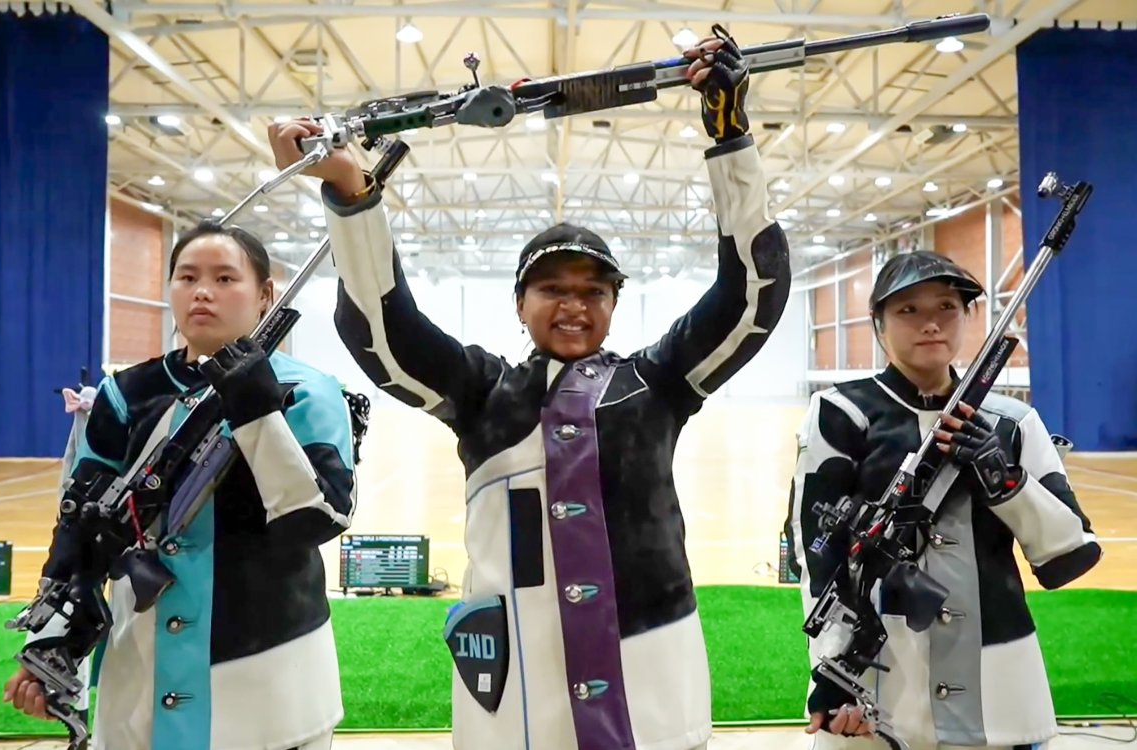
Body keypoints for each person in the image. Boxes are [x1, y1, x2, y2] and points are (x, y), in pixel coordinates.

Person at [268, 30, 790, 750]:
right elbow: (384, 332)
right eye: (552, 288)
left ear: (614, 305)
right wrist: (351, 193)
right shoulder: (481, 392)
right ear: (520, 302)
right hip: (516, 699)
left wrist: (731, 138)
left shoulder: (659, 383)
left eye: (594, 291)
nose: (574, 305)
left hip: (652, 686)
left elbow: (751, 294)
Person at [3, 222, 363, 750]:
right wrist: (52, 647)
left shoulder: (308, 392)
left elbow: (317, 519)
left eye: (224, 278)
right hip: (140, 669)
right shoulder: (126, 394)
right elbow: (81, 524)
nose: (202, 291)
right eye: (187, 277)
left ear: (265, 296)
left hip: (270, 675)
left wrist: (257, 409)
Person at [785, 250, 1102, 750]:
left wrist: (1005, 482)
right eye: (908, 310)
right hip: (876, 684)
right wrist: (832, 668)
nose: (930, 323)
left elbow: (1070, 554)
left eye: (947, 307)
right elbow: (816, 549)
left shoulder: (1012, 423)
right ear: (878, 324)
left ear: (967, 318)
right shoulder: (840, 413)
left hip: (998, 686)